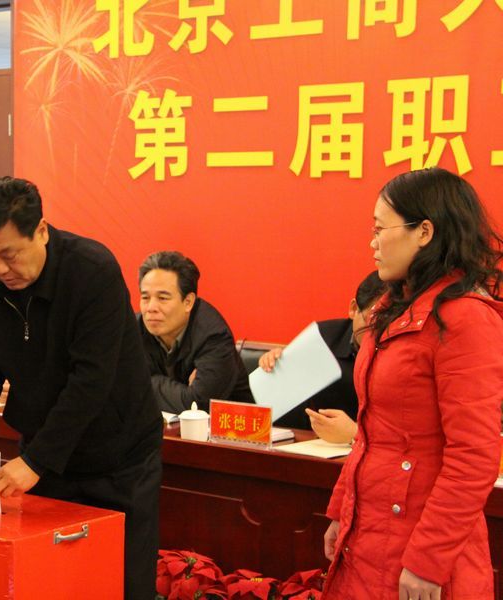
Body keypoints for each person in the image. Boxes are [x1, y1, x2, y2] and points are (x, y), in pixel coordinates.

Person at [0, 176, 163, 600]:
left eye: (9, 255)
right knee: (51, 583)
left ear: (40, 230)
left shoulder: (91, 271)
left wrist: (35, 460)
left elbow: (90, 380)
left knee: (121, 585)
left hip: (119, 459)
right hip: (45, 459)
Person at [322, 167, 503, 600]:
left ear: (424, 231)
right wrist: (341, 510)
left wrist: (428, 561)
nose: (372, 243)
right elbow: (372, 430)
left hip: (421, 546)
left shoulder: (465, 318)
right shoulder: (393, 307)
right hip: (370, 531)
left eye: (379, 229)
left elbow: (474, 456)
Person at [259, 272, 386, 443]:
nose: (381, 333)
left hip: (375, 446)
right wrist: (276, 365)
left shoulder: (404, 352)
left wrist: (355, 432)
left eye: (392, 323)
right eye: (374, 323)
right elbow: (282, 414)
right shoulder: (321, 339)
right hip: (317, 444)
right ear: (354, 309)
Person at [137, 250, 253, 413]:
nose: (151, 308)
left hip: (229, 426)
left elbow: (197, 405)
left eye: (162, 298)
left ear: (188, 302)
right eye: (145, 298)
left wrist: (141, 382)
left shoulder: (213, 336)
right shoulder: (134, 329)